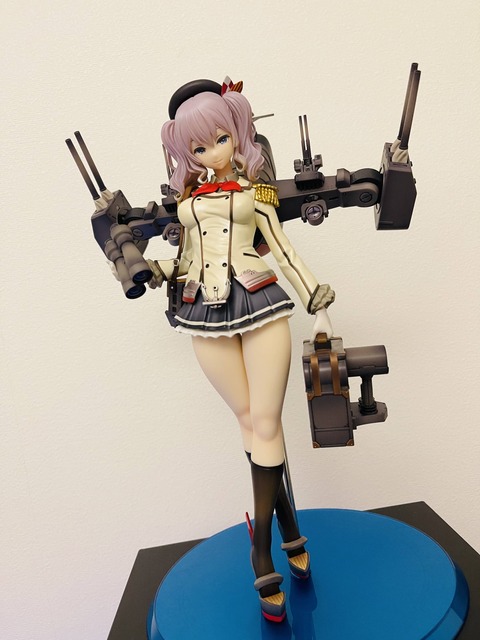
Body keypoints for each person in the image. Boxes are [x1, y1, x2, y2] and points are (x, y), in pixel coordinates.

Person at [147, 78, 335, 622]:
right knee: (249, 422)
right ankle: (291, 530)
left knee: (267, 421)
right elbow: (186, 260)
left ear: (238, 135)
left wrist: (318, 302)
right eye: (197, 147)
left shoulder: (257, 194)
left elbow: (283, 248)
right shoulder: (188, 203)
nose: (211, 153)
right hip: (204, 312)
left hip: (261, 300)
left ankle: (261, 551)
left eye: (220, 140)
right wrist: (154, 269)